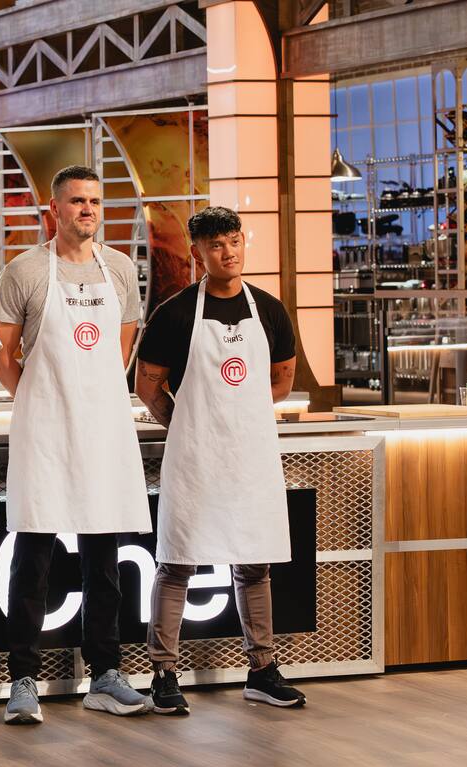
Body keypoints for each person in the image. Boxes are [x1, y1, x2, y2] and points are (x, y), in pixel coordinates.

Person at [0, 165, 154, 723]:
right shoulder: (24, 270)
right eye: (77, 201)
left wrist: (90, 397)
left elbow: (122, 346)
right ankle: (23, 679)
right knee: (32, 559)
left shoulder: (121, 268)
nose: (87, 210)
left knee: (103, 560)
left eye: (94, 202)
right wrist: (37, 397)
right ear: (54, 210)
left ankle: (105, 675)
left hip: (103, 428)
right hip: (44, 429)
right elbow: (1, 354)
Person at [135, 206, 306, 714]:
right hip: (195, 457)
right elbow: (147, 385)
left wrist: (239, 418)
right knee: (177, 562)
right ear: (198, 253)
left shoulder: (270, 310)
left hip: (251, 457)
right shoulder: (173, 314)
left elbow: (283, 379)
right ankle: (164, 674)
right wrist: (189, 423)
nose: (228, 252)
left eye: (234, 241)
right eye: (216, 245)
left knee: (255, 562)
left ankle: (262, 670)